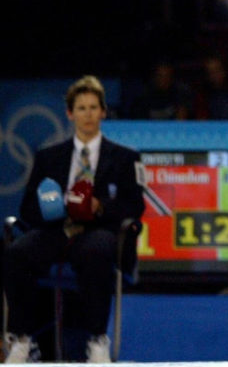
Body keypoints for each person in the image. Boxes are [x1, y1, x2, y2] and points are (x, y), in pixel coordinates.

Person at [3, 76, 144, 364]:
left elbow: (134, 204)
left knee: (96, 251)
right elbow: (28, 207)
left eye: (94, 107)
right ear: (70, 114)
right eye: (81, 108)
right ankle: (21, 340)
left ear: (104, 112)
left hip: (97, 231)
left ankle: (96, 340)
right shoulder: (48, 157)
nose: (88, 114)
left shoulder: (125, 158)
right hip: (57, 229)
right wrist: (49, 207)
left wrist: (100, 206)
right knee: (18, 252)